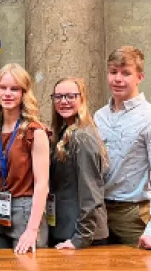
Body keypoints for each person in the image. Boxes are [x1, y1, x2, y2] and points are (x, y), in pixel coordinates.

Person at [95, 46, 151, 249]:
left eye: (126, 73)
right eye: (113, 72)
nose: (118, 79)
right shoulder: (99, 116)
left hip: (134, 215)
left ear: (140, 77)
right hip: (100, 212)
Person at [0, 64, 49, 253]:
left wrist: (33, 230)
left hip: (26, 212)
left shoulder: (35, 131)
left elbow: (42, 184)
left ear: (24, 93)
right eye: (3, 87)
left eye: (15, 89)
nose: (8, 93)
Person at [48, 78, 109, 249]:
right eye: (58, 96)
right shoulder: (63, 133)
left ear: (82, 99)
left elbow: (91, 191)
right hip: (65, 229)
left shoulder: (82, 136)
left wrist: (80, 239)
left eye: (70, 96)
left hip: (83, 236)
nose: (64, 101)